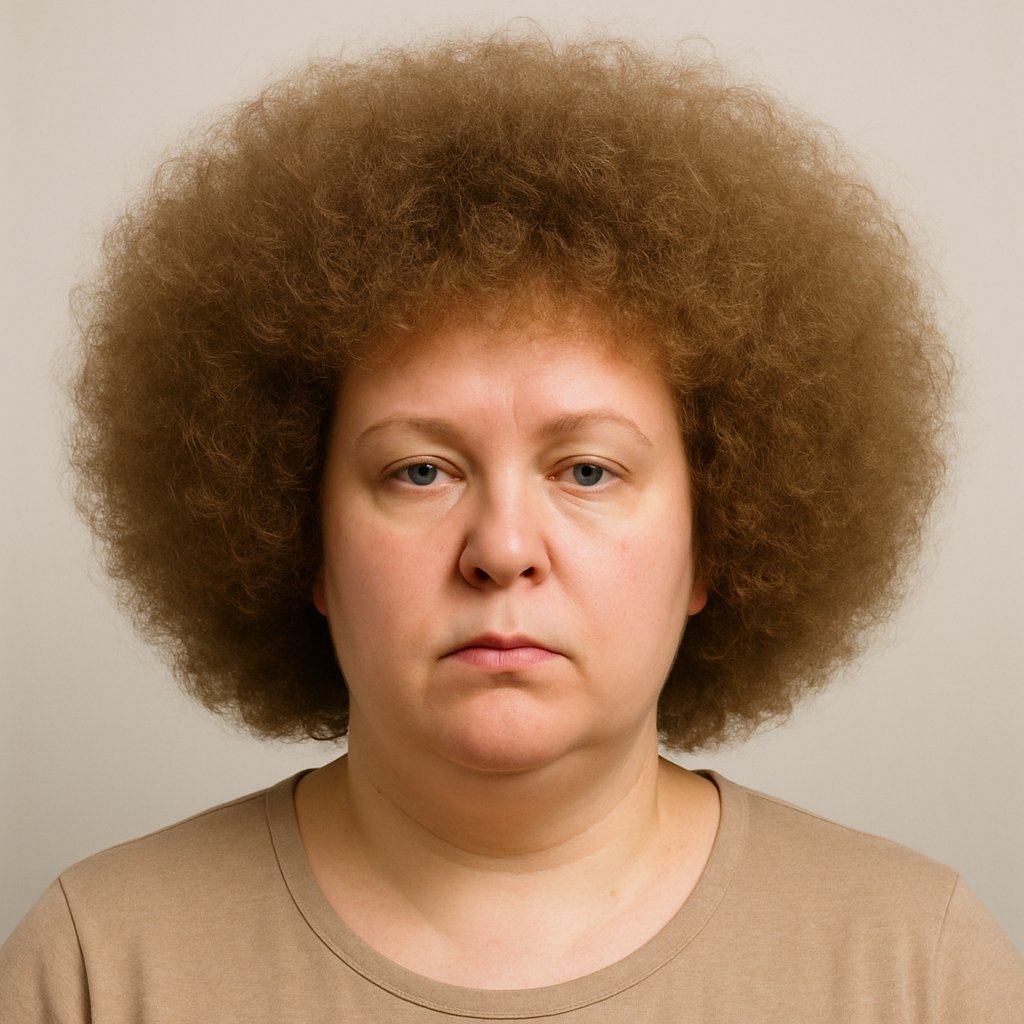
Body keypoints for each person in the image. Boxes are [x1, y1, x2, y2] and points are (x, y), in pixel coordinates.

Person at [2, 30, 1021, 1021]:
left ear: (714, 538)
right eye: (420, 471)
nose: (501, 550)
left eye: (587, 470)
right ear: (301, 538)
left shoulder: (915, 967)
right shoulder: (100, 968)